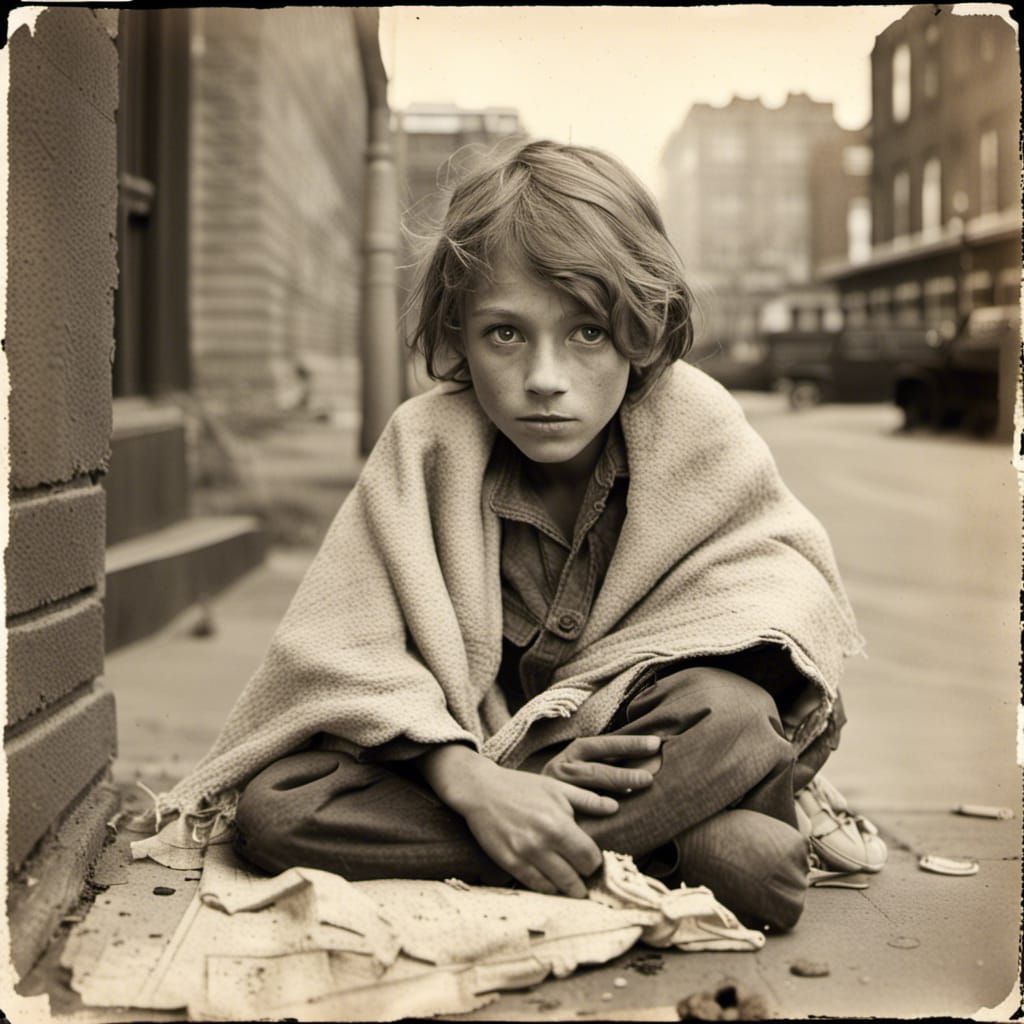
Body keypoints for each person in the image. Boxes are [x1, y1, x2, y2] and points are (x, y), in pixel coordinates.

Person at [150, 140, 874, 933]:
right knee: (280, 806)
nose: (544, 378)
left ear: (640, 331)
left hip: (635, 746)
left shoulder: (696, 430)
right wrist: (475, 781)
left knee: (732, 717)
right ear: (458, 333)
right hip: (468, 765)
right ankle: (665, 853)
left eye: (588, 334)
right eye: (506, 334)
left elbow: (773, 598)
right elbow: (343, 651)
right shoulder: (426, 448)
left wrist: (549, 771)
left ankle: (556, 843)